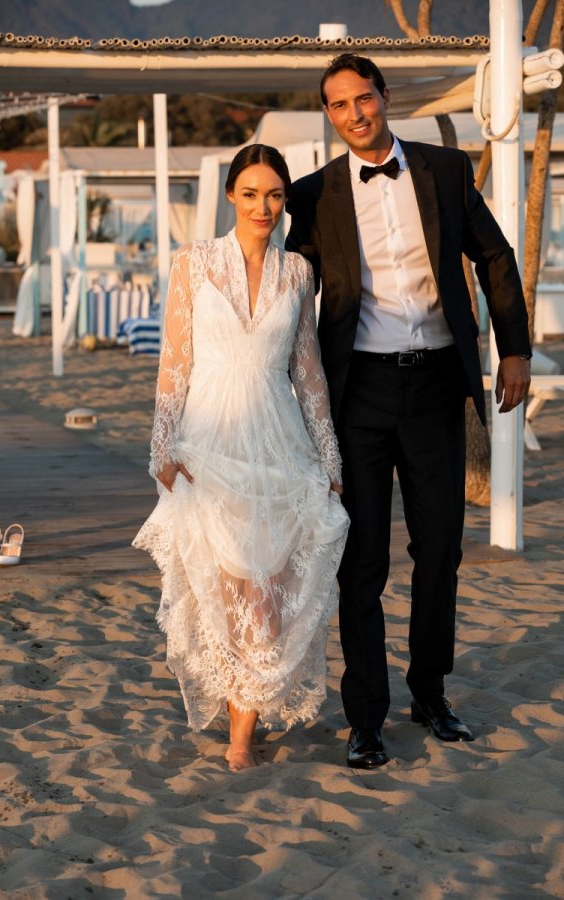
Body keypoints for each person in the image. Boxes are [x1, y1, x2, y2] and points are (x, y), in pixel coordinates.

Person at [286, 54, 532, 769]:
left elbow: (494, 258)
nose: (356, 114)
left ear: (384, 98)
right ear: (328, 116)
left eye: (364, 98)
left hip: (434, 388)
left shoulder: (445, 172)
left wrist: (512, 350)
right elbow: (289, 293)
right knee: (361, 562)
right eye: (339, 105)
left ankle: (430, 692)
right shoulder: (312, 195)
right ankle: (366, 716)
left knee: (441, 551)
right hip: (355, 393)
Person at [134, 144, 349, 772]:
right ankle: (238, 723)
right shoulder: (194, 263)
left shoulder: (298, 273)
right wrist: (162, 444)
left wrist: (330, 457)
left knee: (266, 590)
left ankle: (243, 725)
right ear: (231, 195)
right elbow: (174, 361)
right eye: (251, 194)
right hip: (210, 441)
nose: (265, 207)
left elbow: (307, 373)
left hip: (279, 442)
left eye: (275, 195)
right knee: (224, 589)